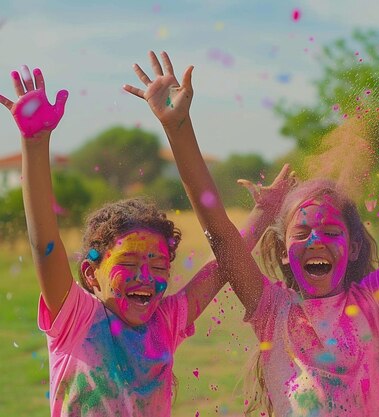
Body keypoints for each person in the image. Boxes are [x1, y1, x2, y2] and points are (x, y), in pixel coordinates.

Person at [122, 42, 379, 416]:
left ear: (355, 245)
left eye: (330, 231)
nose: (315, 241)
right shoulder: (273, 311)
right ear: (284, 249)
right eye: (301, 232)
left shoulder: (375, 302)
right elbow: (219, 233)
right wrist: (179, 130)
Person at [0, 65, 259, 417]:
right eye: (128, 264)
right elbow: (45, 246)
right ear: (91, 274)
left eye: (157, 266)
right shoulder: (76, 317)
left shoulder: (165, 322)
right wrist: (34, 143)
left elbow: (226, 258)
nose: (146, 277)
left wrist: (265, 214)